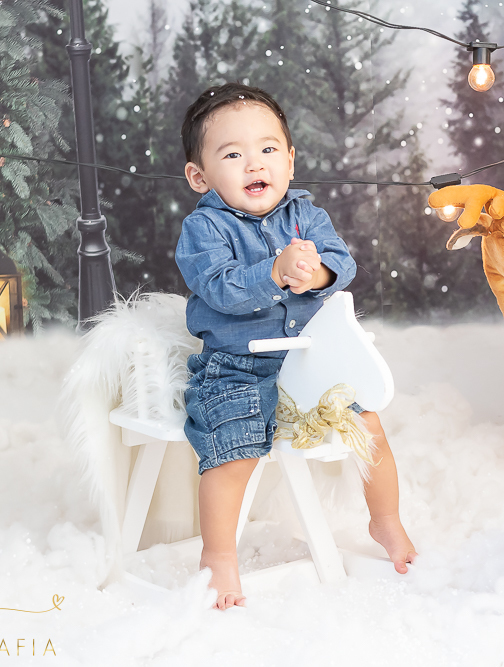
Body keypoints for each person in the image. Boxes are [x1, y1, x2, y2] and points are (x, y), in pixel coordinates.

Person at [175, 83, 416, 610]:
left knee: (367, 425)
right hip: (238, 366)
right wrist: (275, 273)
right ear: (200, 176)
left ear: (288, 159)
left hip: (307, 361)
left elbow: (343, 262)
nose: (253, 163)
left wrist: (320, 273)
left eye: (266, 149)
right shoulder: (204, 227)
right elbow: (219, 286)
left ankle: (386, 519)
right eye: (232, 154)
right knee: (231, 451)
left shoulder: (307, 217)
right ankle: (218, 557)